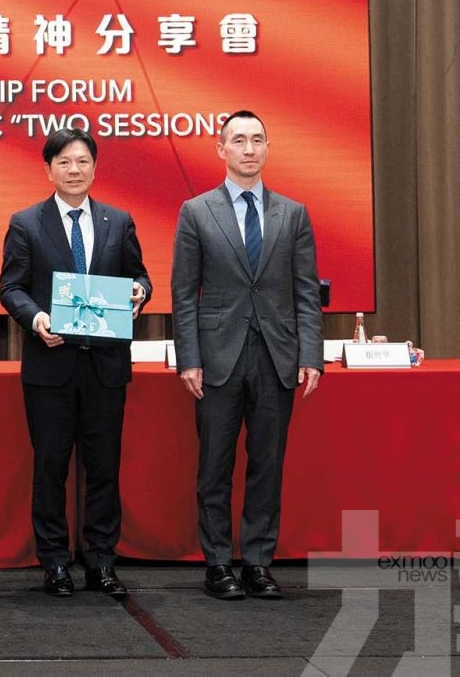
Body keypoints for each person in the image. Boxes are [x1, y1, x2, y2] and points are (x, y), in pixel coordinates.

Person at [171, 110, 323, 601]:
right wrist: (189, 358)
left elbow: (306, 292)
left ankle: (258, 562)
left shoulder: (293, 213)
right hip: (217, 356)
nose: (249, 149)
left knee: (267, 465)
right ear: (221, 149)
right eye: (239, 140)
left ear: (268, 148)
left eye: (258, 139)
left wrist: (311, 354)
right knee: (214, 467)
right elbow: (183, 294)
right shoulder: (196, 211)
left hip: (277, 356)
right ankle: (218, 563)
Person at [0, 128, 151, 599]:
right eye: (63, 162)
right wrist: (35, 317)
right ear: (48, 170)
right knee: (50, 467)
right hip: (51, 365)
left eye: (82, 161)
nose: (74, 170)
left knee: (104, 468)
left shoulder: (118, 221)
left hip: (105, 365)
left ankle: (101, 561)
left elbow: (139, 276)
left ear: (95, 168)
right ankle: (55, 562)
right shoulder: (26, 223)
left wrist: (139, 292)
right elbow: (10, 287)